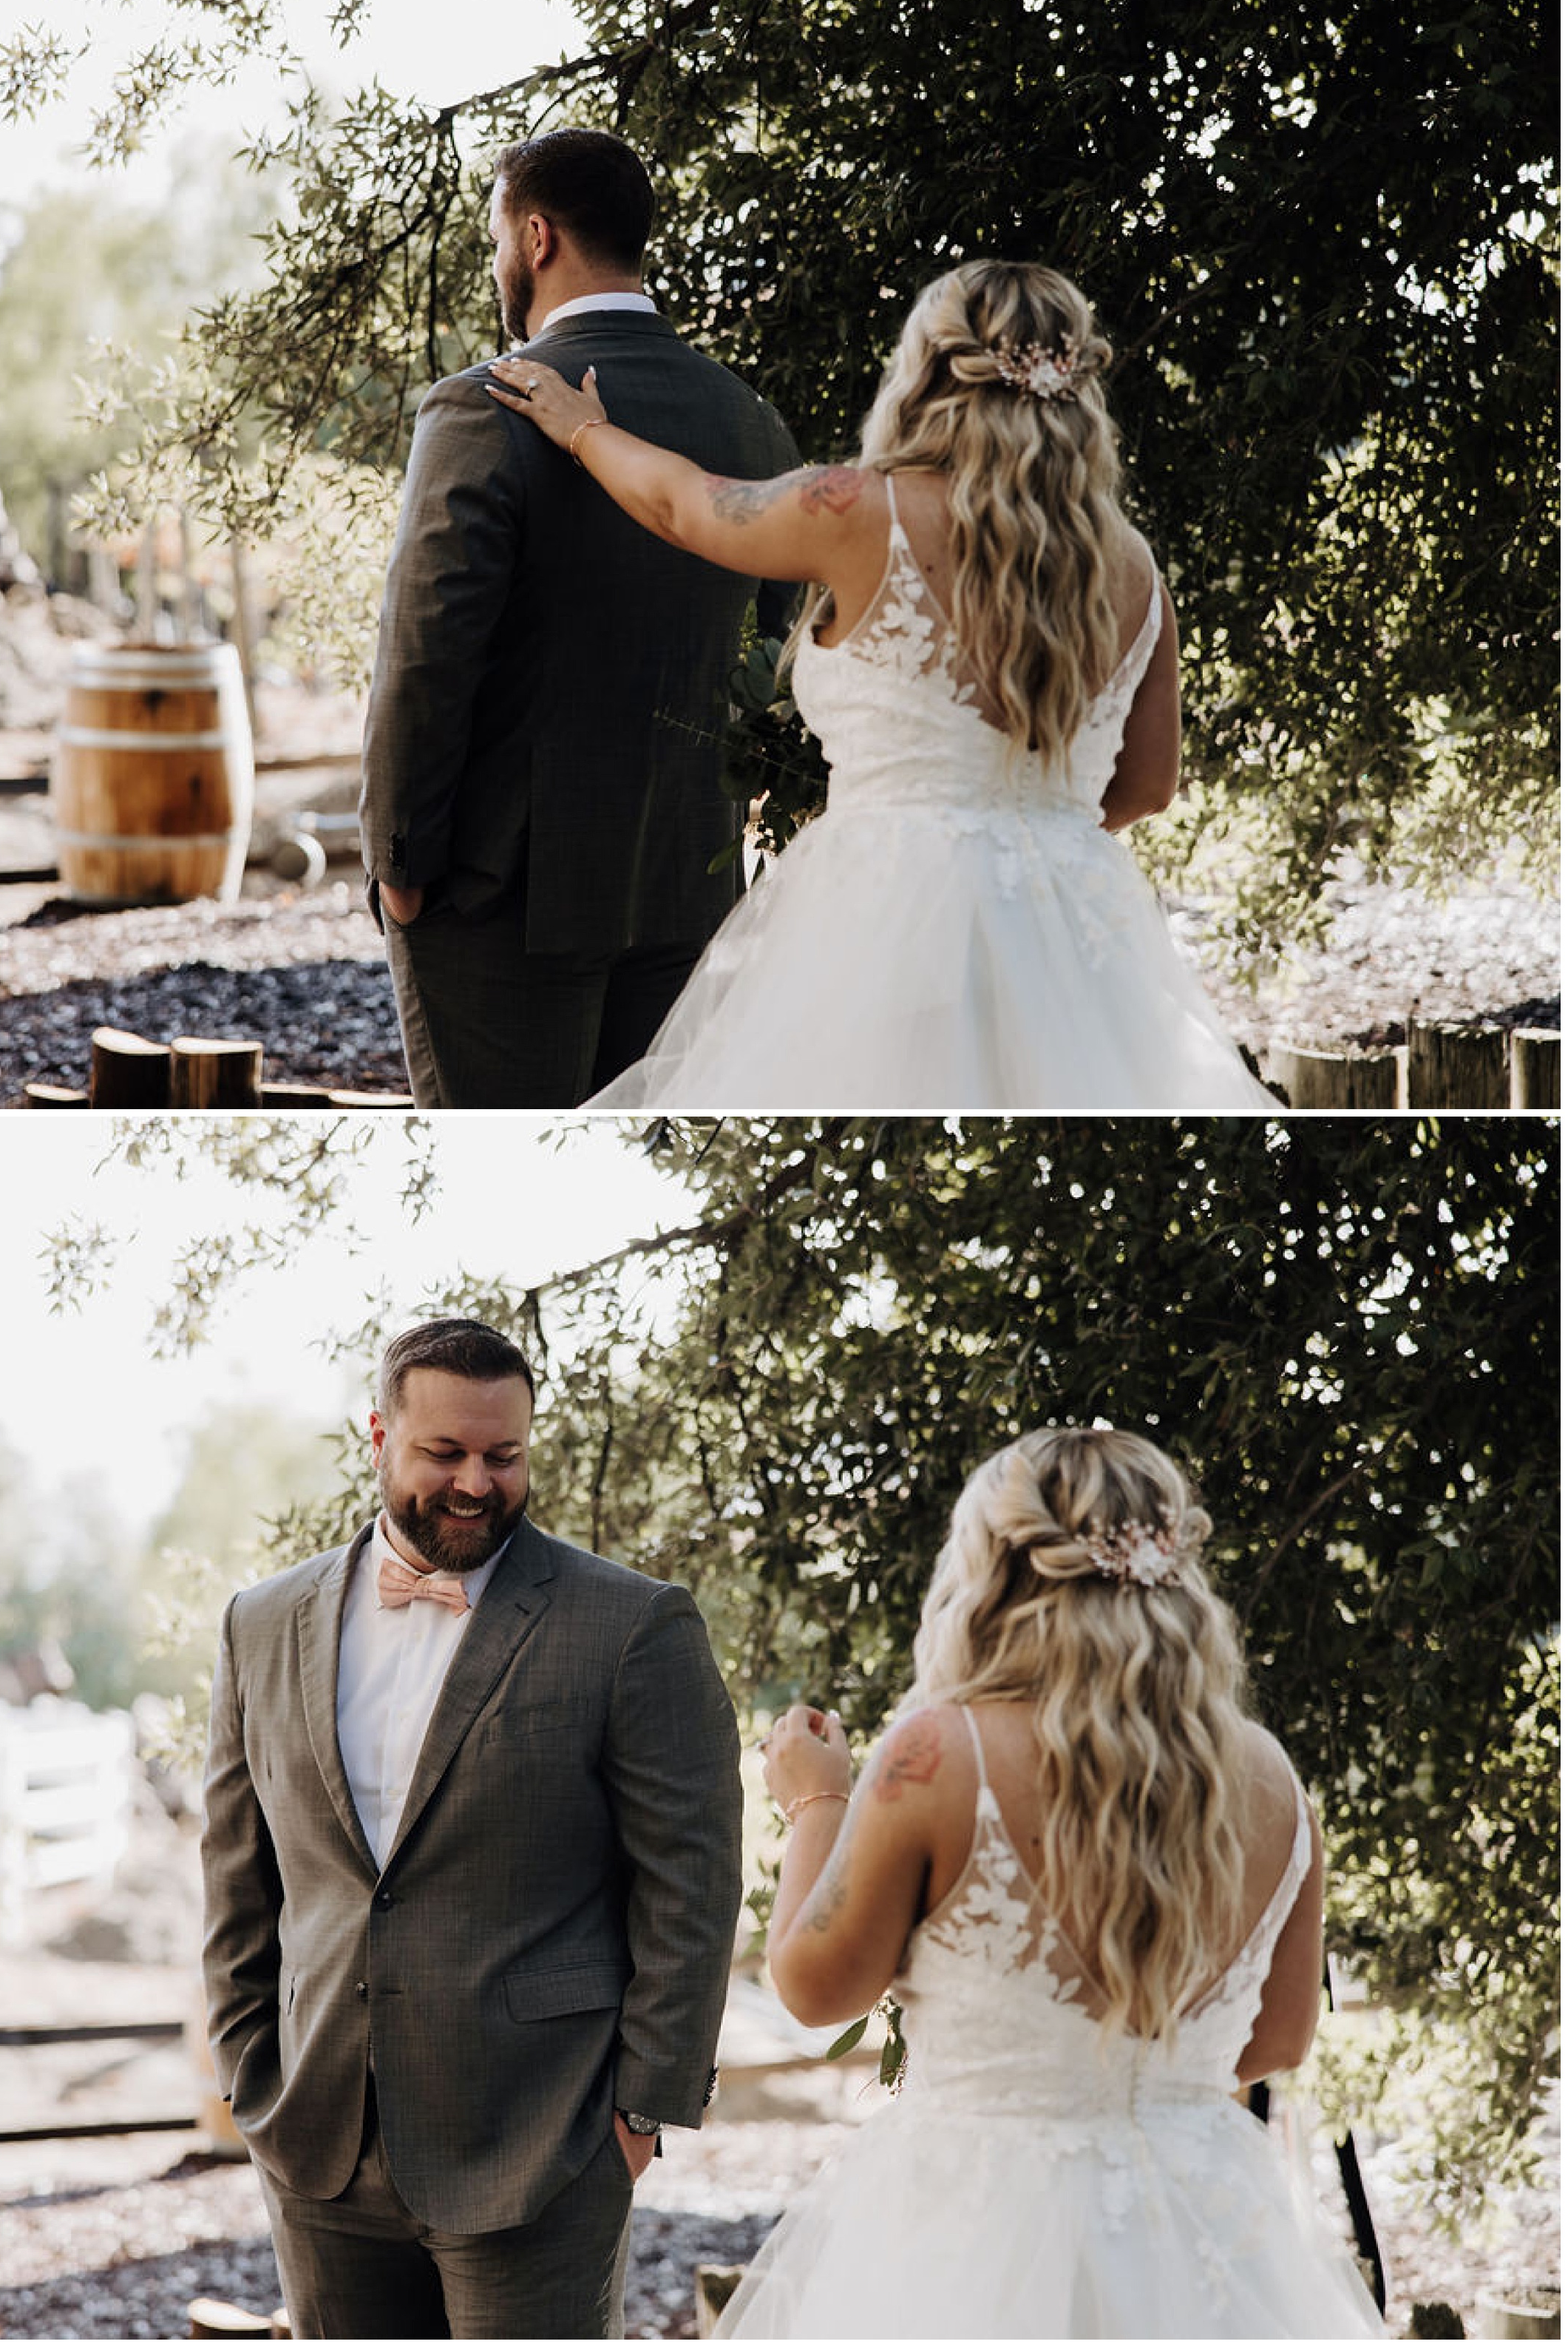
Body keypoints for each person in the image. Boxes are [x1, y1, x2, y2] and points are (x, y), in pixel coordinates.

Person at [487, 260, 1278, 1111]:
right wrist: (1024, 840)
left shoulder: (861, 510)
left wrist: (580, 430)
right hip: (1073, 927)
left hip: (886, 912)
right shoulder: (1129, 563)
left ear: (929, 371)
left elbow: (685, 506)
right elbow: (1149, 785)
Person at [716, 1427, 1385, 2340]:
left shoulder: (939, 1752)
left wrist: (817, 1800)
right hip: (1204, 2228)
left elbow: (813, 1986)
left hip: (976, 2220)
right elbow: (1278, 2037)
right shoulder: (1270, 1776)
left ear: (993, 1569)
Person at [200, 1316, 744, 2339]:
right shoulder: (260, 1623)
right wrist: (247, 2071)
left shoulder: (631, 1625)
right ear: (378, 1435)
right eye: (444, 1452)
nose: (476, 1482)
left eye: (505, 1454)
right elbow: (237, 1871)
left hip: (542, 2142)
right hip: (318, 2140)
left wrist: (638, 2114)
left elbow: (693, 1881)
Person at [360, 127, 801, 1108]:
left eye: (496, 244)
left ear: (538, 236)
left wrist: (399, 865)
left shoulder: (485, 407)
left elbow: (425, 658)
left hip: (499, 901)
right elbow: (778, 652)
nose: (498, 267)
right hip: (685, 889)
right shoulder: (748, 419)